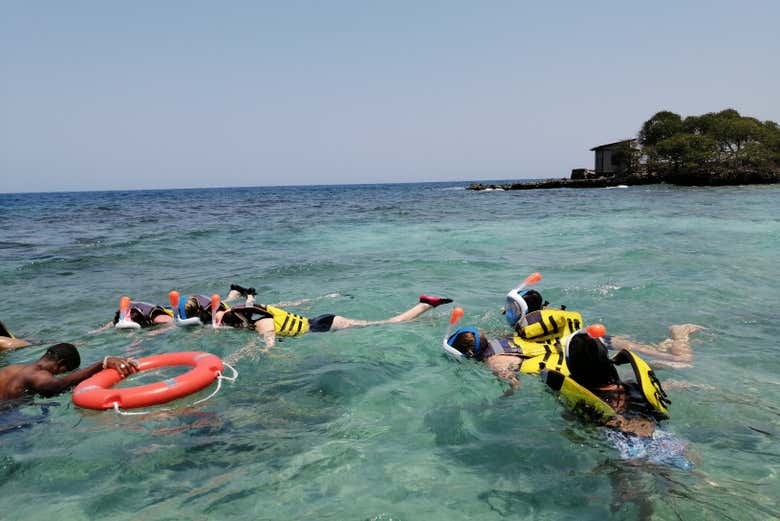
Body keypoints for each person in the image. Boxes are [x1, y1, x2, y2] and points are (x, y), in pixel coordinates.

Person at [183, 283, 453, 347]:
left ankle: (424, 305)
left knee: (388, 325)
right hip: (317, 322)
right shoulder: (234, 312)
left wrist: (268, 348)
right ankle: (428, 316)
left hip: (323, 325)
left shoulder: (235, 316)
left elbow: (266, 325)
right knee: (384, 325)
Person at [0, 343, 138, 401]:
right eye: (65, 371)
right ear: (61, 364)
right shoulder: (38, 374)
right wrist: (101, 364)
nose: (60, 374)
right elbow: (55, 386)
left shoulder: (12, 368)